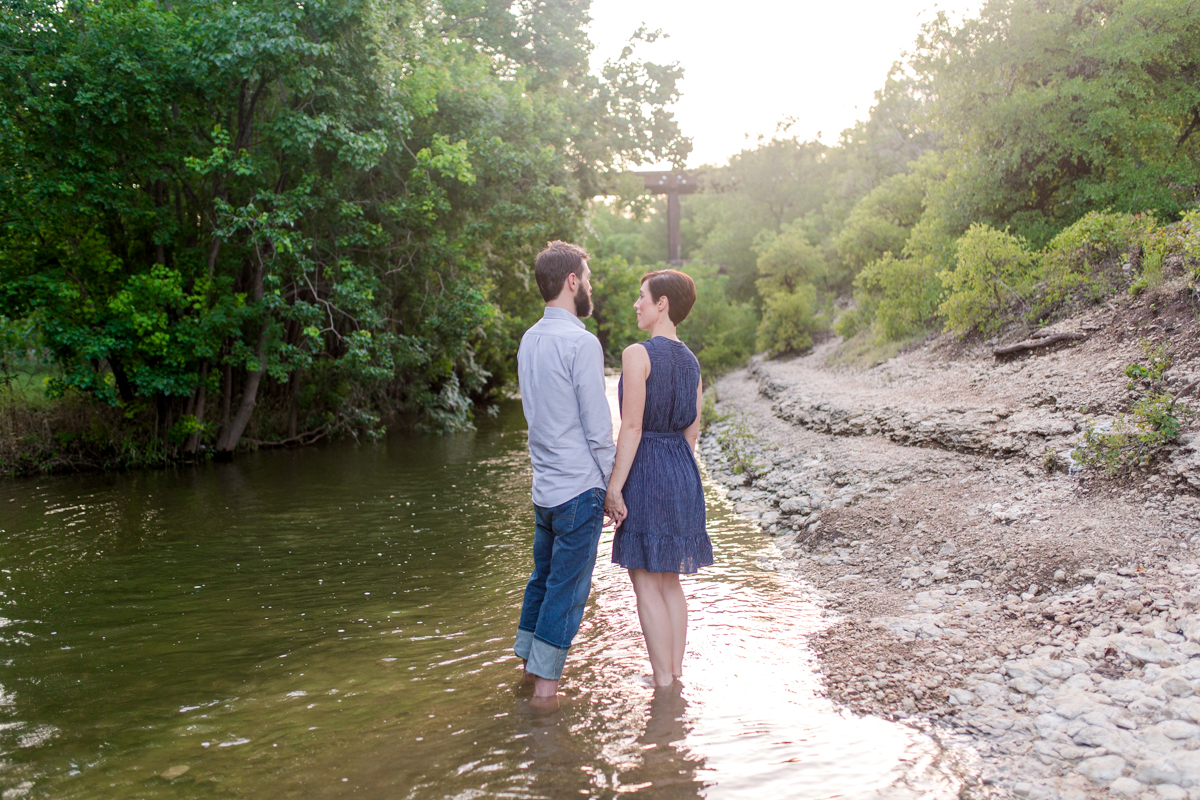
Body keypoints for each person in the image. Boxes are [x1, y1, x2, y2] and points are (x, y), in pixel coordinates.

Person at [514, 240, 616, 701]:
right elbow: (598, 430)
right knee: (566, 592)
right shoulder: (581, 342)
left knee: (542, 580)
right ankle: (544, 702)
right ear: (572, 281)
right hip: (578, 490)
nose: (590, 287)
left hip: (544, 492)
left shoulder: (529, 339)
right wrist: (614, 487)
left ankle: (527, 679)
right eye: (587, 278)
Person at [604, 269, 712, 688]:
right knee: (669, 580)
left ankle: (662, 683)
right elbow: (692, 432)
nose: (637, 304)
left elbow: (630, 428)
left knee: (645, 579)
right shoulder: (692, 361)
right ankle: (675, 676)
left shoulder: (637, 354)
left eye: (642, 297)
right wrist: (680, 476)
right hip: (683, 470)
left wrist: (615, 485)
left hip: (647, 468)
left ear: (662, 303)